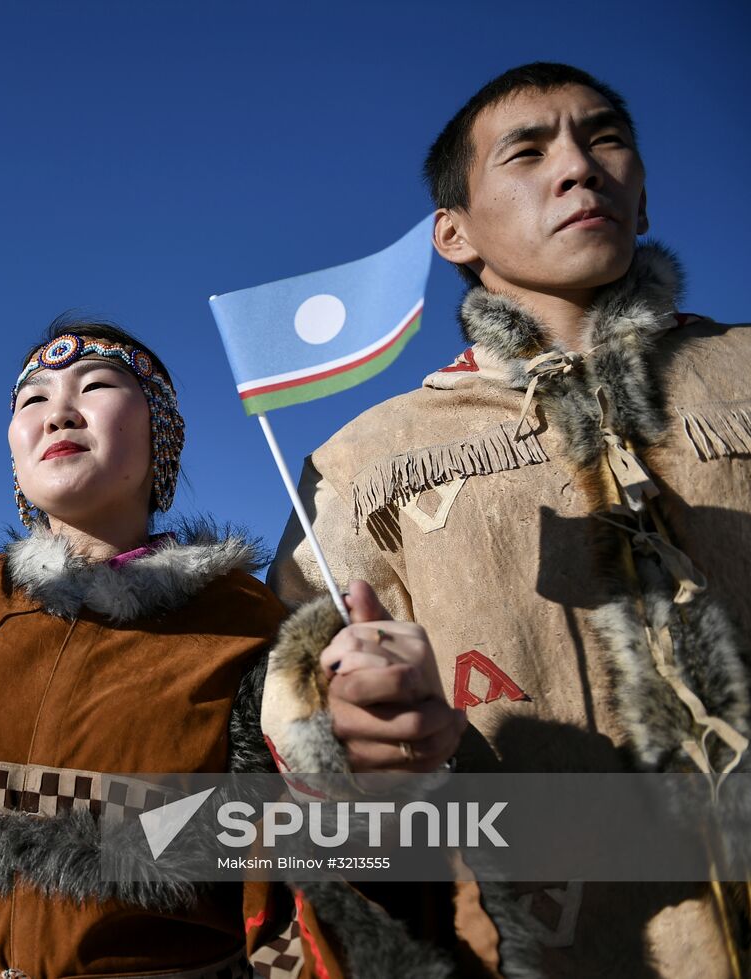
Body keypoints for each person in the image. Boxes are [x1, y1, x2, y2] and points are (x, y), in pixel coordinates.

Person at [0, 318, 474, 977]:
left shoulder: (249, 625)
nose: (59, 409)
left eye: (96, 385)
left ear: (161, 432)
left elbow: (303, 862)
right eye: (32, 399)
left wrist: (350, 759)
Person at [269, 62, 751, 977]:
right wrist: (351, 737)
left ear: (642, 193)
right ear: (455, 233)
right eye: (527, 152)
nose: (579, 168)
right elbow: (293, 720)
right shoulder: (368, 461)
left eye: (605, 139)